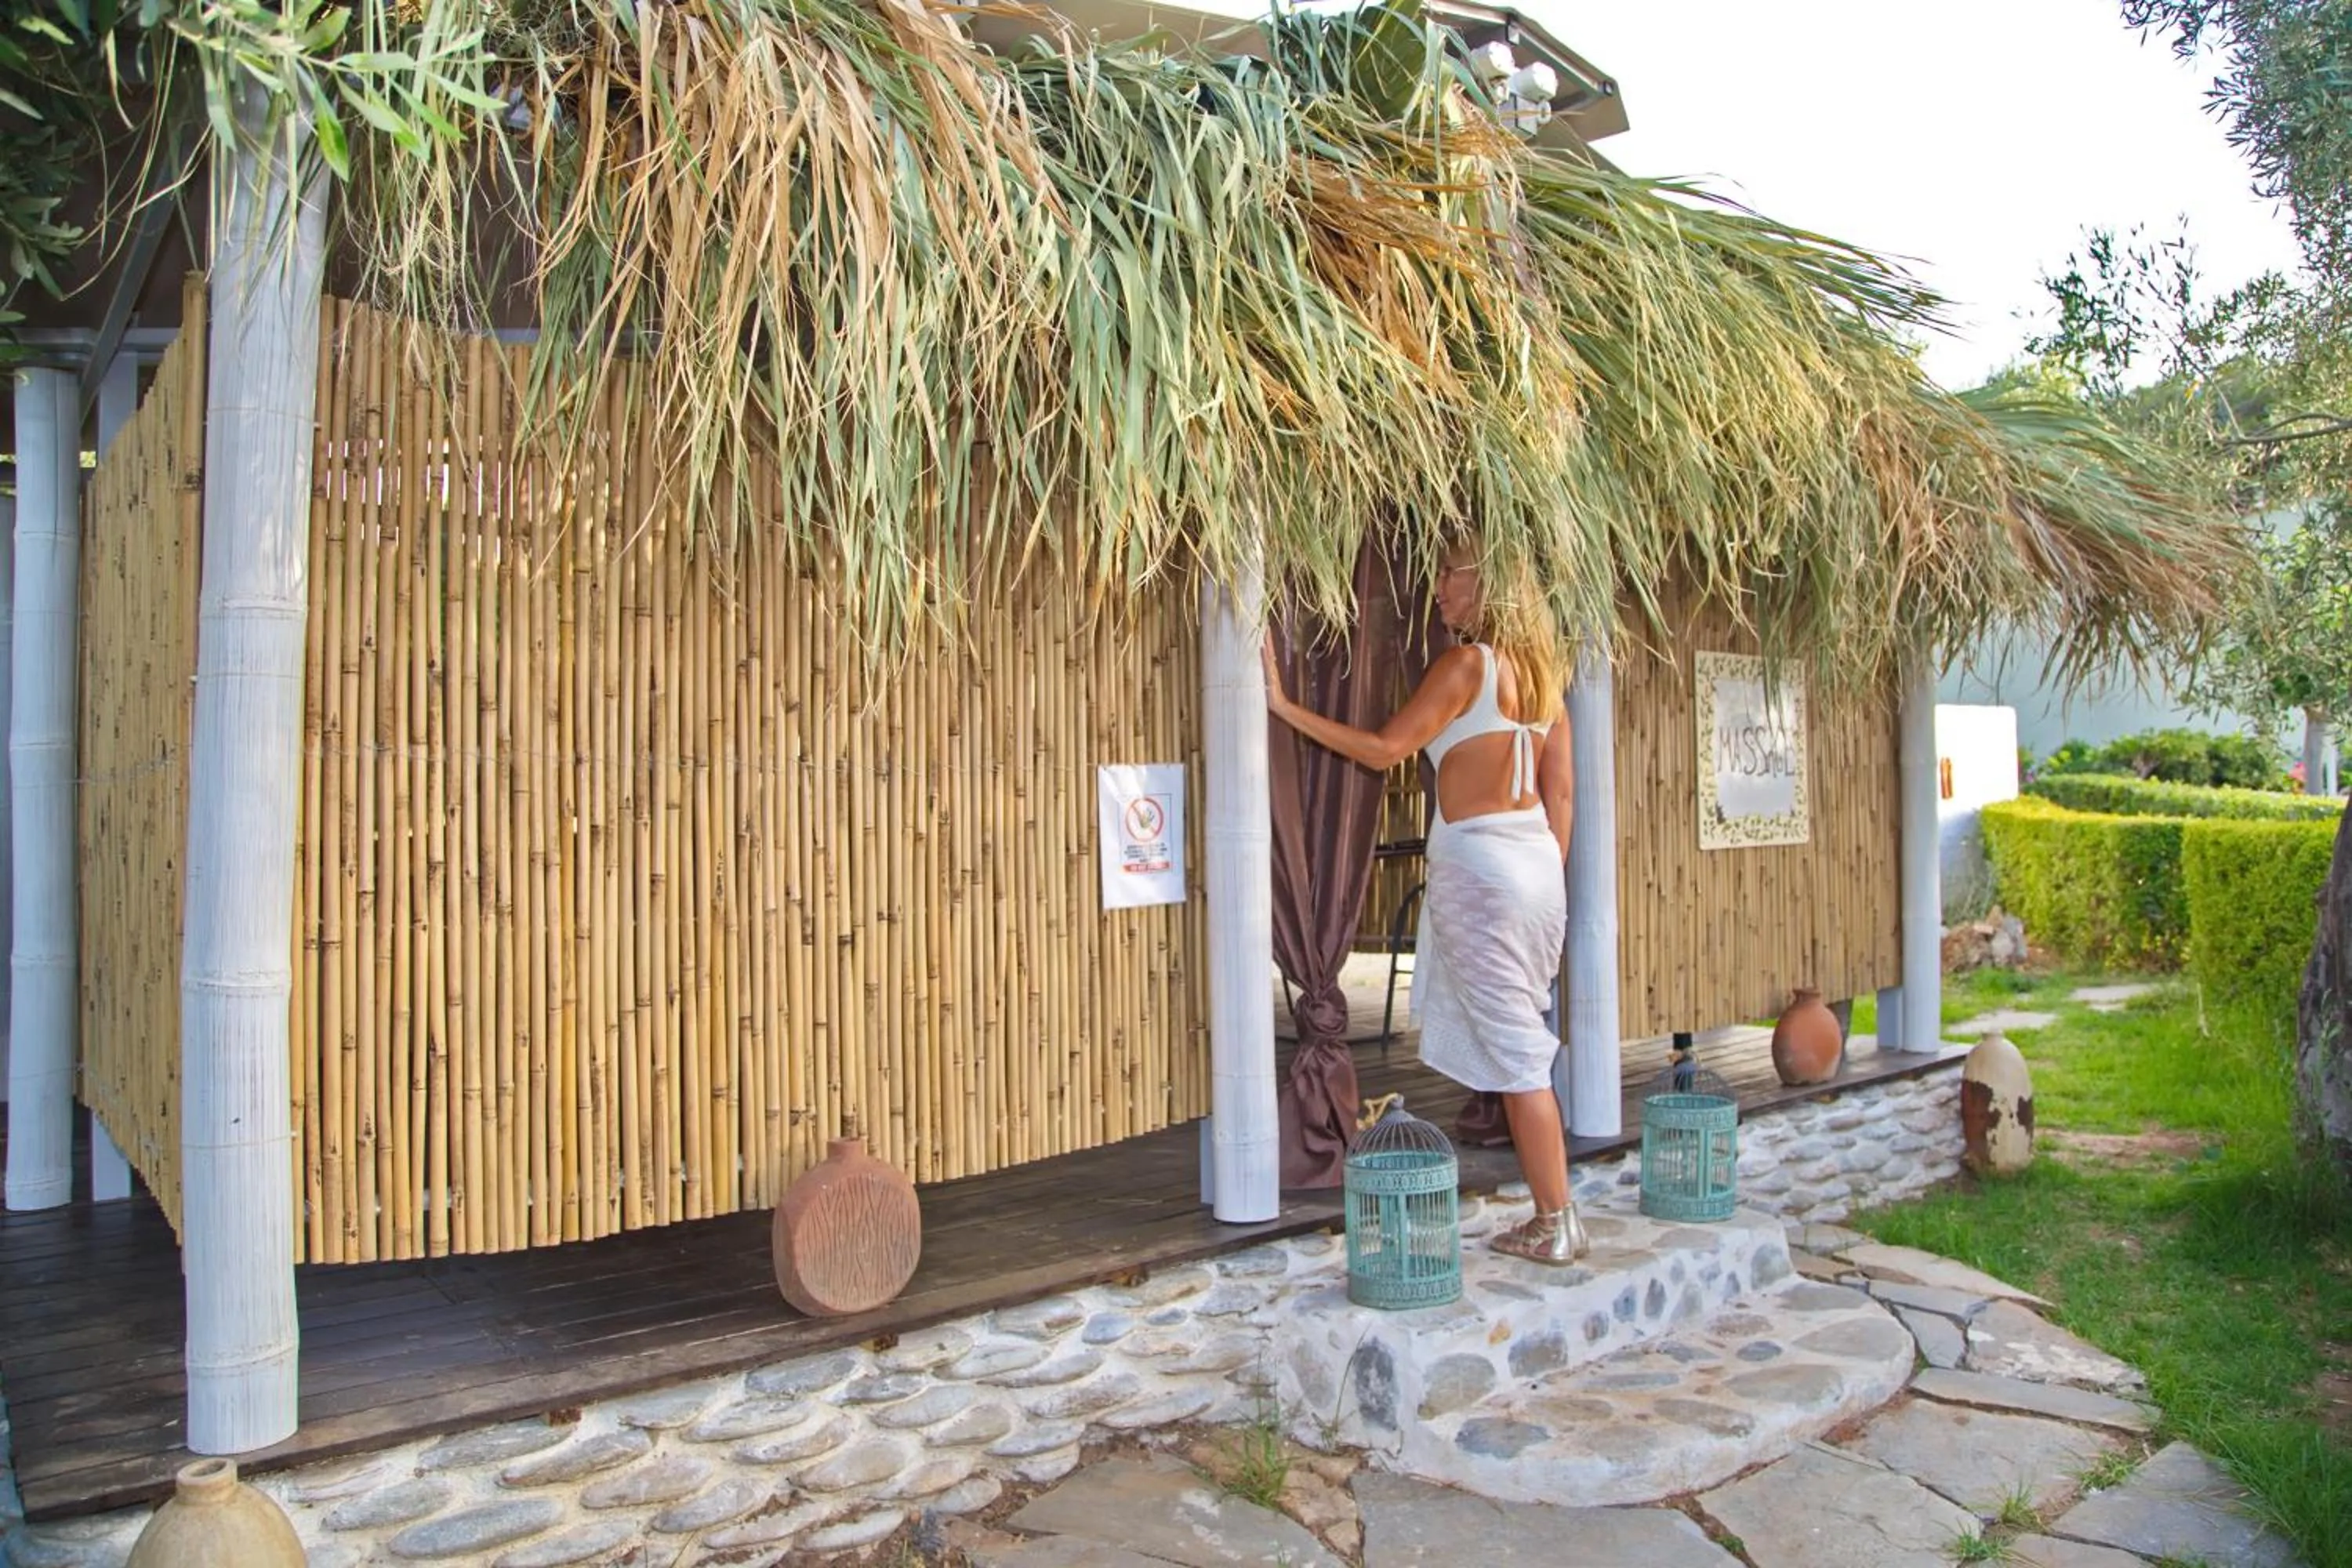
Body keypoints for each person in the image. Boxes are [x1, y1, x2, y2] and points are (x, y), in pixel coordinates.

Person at [1262, 545, 1585, 1262]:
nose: (1439, 588)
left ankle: (1558, 1219)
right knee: (1520, 1034)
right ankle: (1550, 1213)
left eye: (1452, 575)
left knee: (1519, 1053)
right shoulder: (1544, 678)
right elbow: (1560, 793)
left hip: (1483, 866)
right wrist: (1542, 874)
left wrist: (1284, 707)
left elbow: (1383, 750)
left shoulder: (1467, 666)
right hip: (1537, 866)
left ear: (1489, 584)